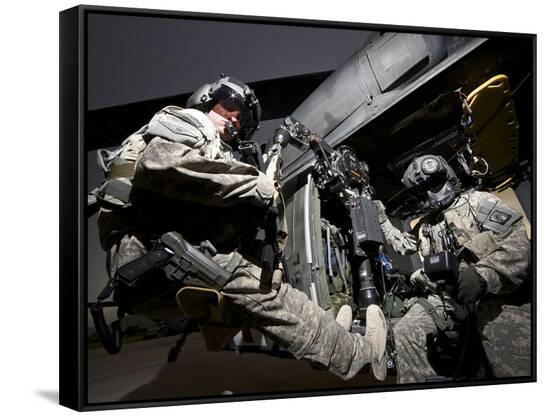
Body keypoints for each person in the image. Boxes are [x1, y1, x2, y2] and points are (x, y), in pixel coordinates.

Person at [93, 75, 387, 381]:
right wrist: (255, 184)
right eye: (229, 105)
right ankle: (362, 356)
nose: (235, 117)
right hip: (147, 258)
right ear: (206, 102)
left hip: (153, 271)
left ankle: (328, 339)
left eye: (243, 118)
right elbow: (157, 165)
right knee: (263, 291)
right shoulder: (191, 122)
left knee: (265, 291)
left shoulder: (211, 151)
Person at [374, 154, 531, 383]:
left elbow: (517, 246)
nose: (430, 195)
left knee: (508, 354)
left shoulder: (478, 202)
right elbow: (404, 244)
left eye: (434, 183)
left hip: (494, 296)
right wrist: (382, 219)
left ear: (448, 176)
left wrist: (480, 276)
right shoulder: (426, 226)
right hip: (448, 299)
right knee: (406, 330)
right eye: (422, 191)